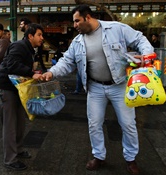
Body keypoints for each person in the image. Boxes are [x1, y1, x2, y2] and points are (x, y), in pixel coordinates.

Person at [41, 5, 154, 175]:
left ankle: (130, 159)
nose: (75, 25)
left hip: (119, 85)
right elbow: (66, 62)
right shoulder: (78, 42)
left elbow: (139, 39)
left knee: (128, 124)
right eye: (74, 22)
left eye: (77, 21)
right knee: (94, 124)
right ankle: (99, 156)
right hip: (95, 88)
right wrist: (51, 72)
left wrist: (146, 56)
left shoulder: (115, 28)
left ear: (87, 17)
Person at [0, 23, 44, 170]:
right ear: (30, 36)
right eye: (39, 35)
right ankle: (10, 160)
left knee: (20, 123)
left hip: (18, 90)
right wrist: (31, 72)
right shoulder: (19, 46)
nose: (42, 38)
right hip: (6, 90)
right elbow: (11, 64)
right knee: (10, 126)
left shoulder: (29, 49)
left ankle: (19, 149)